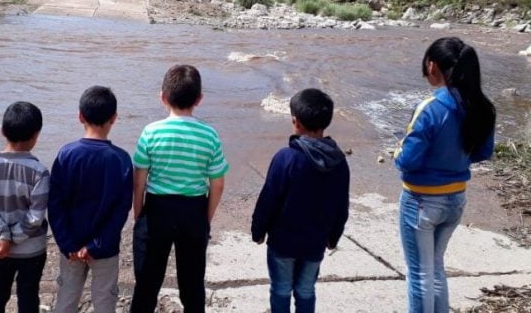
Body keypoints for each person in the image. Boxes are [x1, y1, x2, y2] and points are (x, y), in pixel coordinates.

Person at [394, 37, 495, 313]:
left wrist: (397, 152)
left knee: (419, 274)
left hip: (422, 202)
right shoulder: (481, 106)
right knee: (435, 267)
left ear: (432, 65)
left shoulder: (431, 108)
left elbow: (408, 161)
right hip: (455, 198)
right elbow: (483, 152)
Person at [130, 64, 229, 313]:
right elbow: (217, 183)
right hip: (193, 210)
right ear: (199, 99)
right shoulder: (209, 135)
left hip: (157, 209)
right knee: (193, 284)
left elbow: (139, 179)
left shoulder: (151, 132)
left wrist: (138, 213)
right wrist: (205, 217)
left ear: (162, 97)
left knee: (147, 283)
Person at [250, 88, 350, 313]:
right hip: (315, 242)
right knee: (306, 290)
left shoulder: (286, 158)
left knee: (281, 289)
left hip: (283, 242)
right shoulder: (339, 163)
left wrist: (258, 231)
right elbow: (341, 207)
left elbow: (268, 199)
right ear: (327, 122)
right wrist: (333, 237)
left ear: (295, 122)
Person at [48, 86, 133, 313]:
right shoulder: (122, 160)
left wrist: (66, 242)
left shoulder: (67, 154)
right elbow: (121, 210)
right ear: (114, 118)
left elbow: (55, 205)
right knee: (105, 301)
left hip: (71, 246)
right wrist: (97, 244)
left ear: (80, 117)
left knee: (66, 299)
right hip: (105, 247)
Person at [0, 101, 49, 313]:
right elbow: (35, 216)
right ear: (36, 135)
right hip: (32, 249)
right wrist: (12, 237)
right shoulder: (39, 172)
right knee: (28, 295)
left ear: (2, 131)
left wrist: (3, 236)